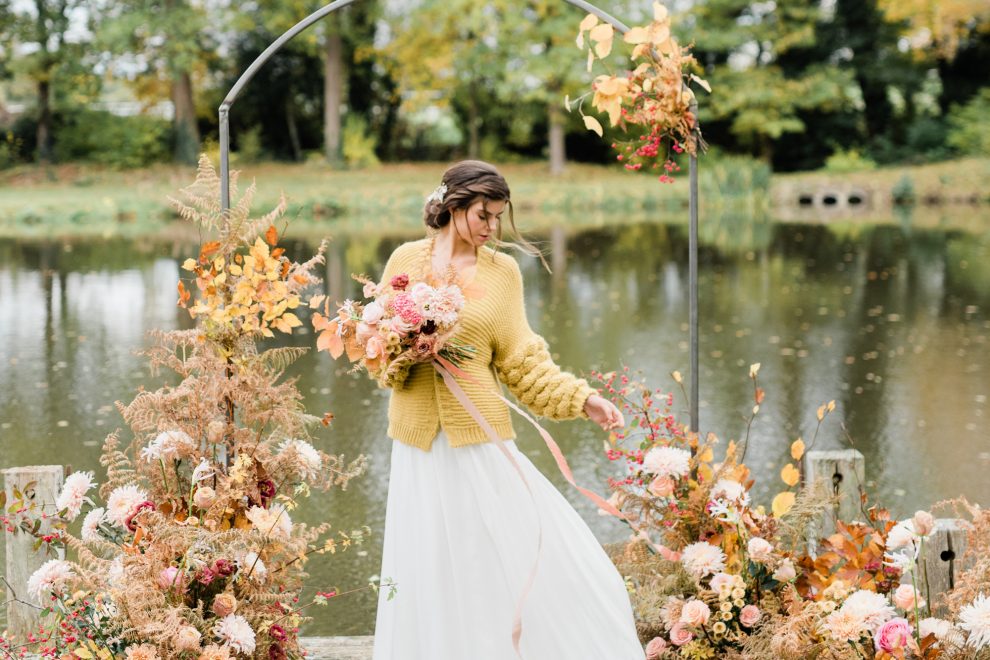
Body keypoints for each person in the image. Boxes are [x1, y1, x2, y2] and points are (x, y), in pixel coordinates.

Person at [371, 160, 645, 660]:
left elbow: (522, 361)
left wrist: (583, 399)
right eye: (483, 215)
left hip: (481, 442)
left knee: (503, 552)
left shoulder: (502, 273)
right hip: (417, 447)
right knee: (427, 563)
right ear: (453, 207)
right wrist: (409, 347)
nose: (492, 227)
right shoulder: (403, 262)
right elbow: (375, 356)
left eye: (498, 217)